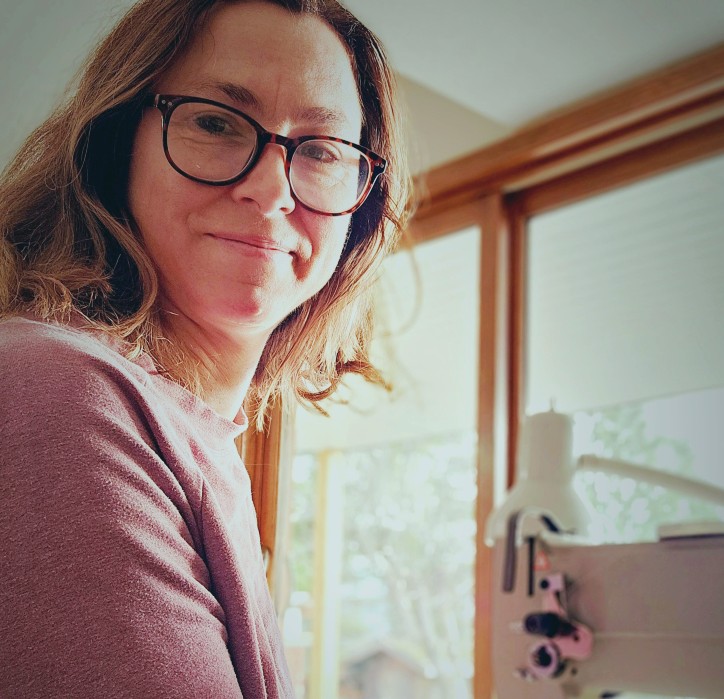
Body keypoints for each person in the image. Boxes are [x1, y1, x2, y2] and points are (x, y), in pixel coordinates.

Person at [0, 0, 411, 696]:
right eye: (217, 123)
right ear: (116, 141)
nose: (271, 190)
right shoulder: (59, 392)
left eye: (321, 150)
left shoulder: (193, 438)